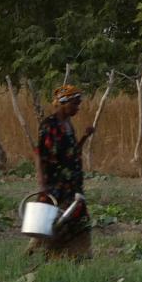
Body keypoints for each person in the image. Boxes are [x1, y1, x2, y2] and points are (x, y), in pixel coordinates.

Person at [33, 84, 94, 259]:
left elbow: (73, 152)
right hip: (55, 184)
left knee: (76, 221)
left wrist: (84, 137)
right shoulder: (49, 125)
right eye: (74, 103)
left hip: (72, 184)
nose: (77, 108)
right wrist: (42, 184)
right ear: (62, 103)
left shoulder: (68, 125)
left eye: (78, 104)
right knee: (52, 223)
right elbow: (39, 155)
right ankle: (42, 254)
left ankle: (77, 255)